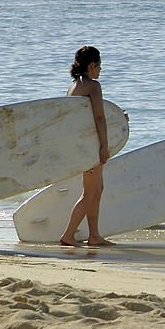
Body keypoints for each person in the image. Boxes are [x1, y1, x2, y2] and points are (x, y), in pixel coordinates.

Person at [60, 46, 113, 247]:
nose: (100, 70)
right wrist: (104, 146)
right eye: (99, 66)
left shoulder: (73, 86)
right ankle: (68, 235)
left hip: (81, 145)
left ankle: (94, 236)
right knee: (90, 193)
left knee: (97, 189)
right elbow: (99, 117)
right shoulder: (93, 86)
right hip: (91, 147)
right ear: (92, 65)